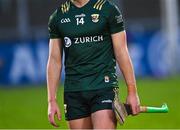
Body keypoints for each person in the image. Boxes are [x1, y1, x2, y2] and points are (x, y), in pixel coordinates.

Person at [47, 0, 141, 129]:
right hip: (74, 91)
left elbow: (121, 52)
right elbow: (54, 60)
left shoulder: (108, 10)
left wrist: (132, 92)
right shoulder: (58, 16)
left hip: (104, 87)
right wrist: (51, 101)